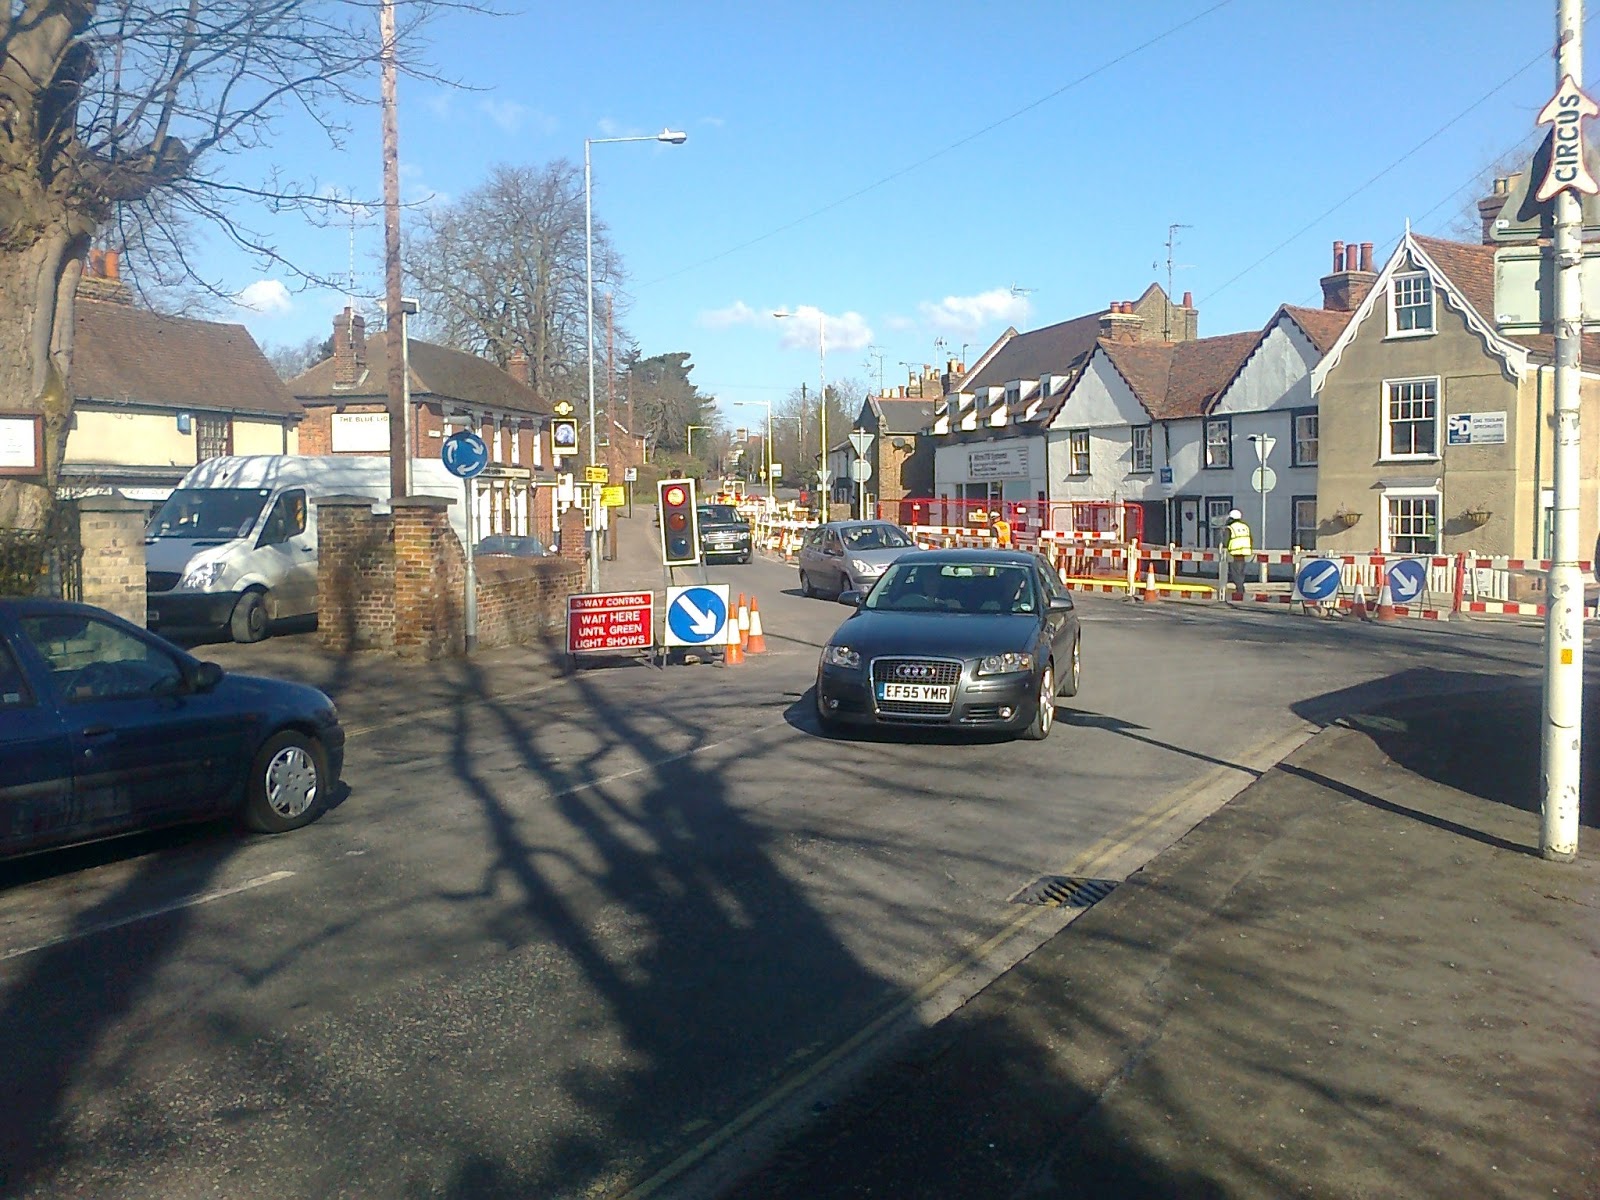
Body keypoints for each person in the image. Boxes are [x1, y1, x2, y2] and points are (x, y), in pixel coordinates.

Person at [1223, 508, 1252, 601]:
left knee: (1235, 572)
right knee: (1240, 572)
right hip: (1244, 552)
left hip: (1235, 552)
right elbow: (1250, 538)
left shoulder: (1230, 528)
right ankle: (1240, 589)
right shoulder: (1245, 526)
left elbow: (1225, 540)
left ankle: (1240, 591)